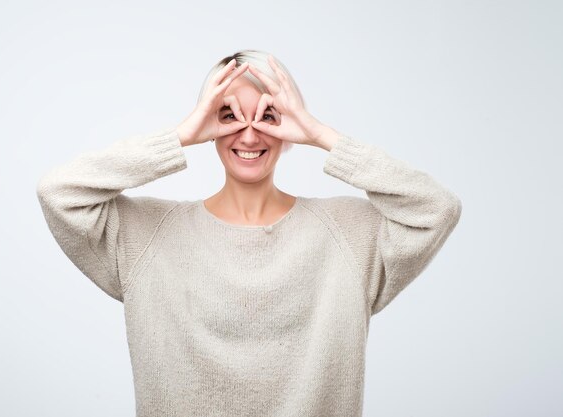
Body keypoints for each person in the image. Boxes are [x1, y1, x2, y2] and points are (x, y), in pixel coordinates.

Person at [36, 49, 462, 417]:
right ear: (209, 126)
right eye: (229, 116)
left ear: (289, 128)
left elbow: (436, 208)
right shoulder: (148, 236)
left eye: (268, 116)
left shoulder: (348, 235)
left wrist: (320, 135)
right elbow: (59, 193)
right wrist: (180, 137)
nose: (250, 133)